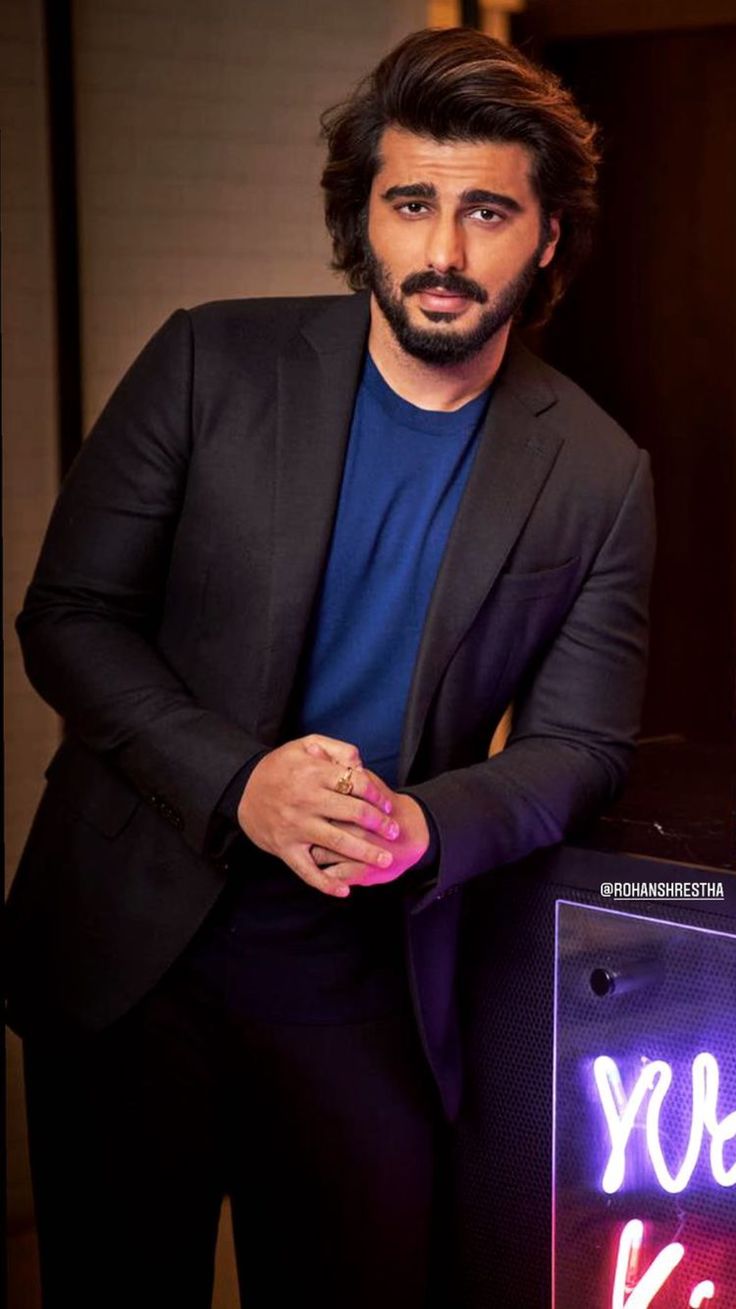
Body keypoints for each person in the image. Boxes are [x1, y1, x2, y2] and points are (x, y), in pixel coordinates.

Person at [6, 25, 655, 1309]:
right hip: (137, 948)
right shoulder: (207, 360)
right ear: (363, 216)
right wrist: (238, 781)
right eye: (411, 203)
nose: (444, 253)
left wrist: (423, 822)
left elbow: (579, 746)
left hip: (372, 981)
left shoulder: (599, 471)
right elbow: (69, 615)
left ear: (547, 238)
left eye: (487, 211)